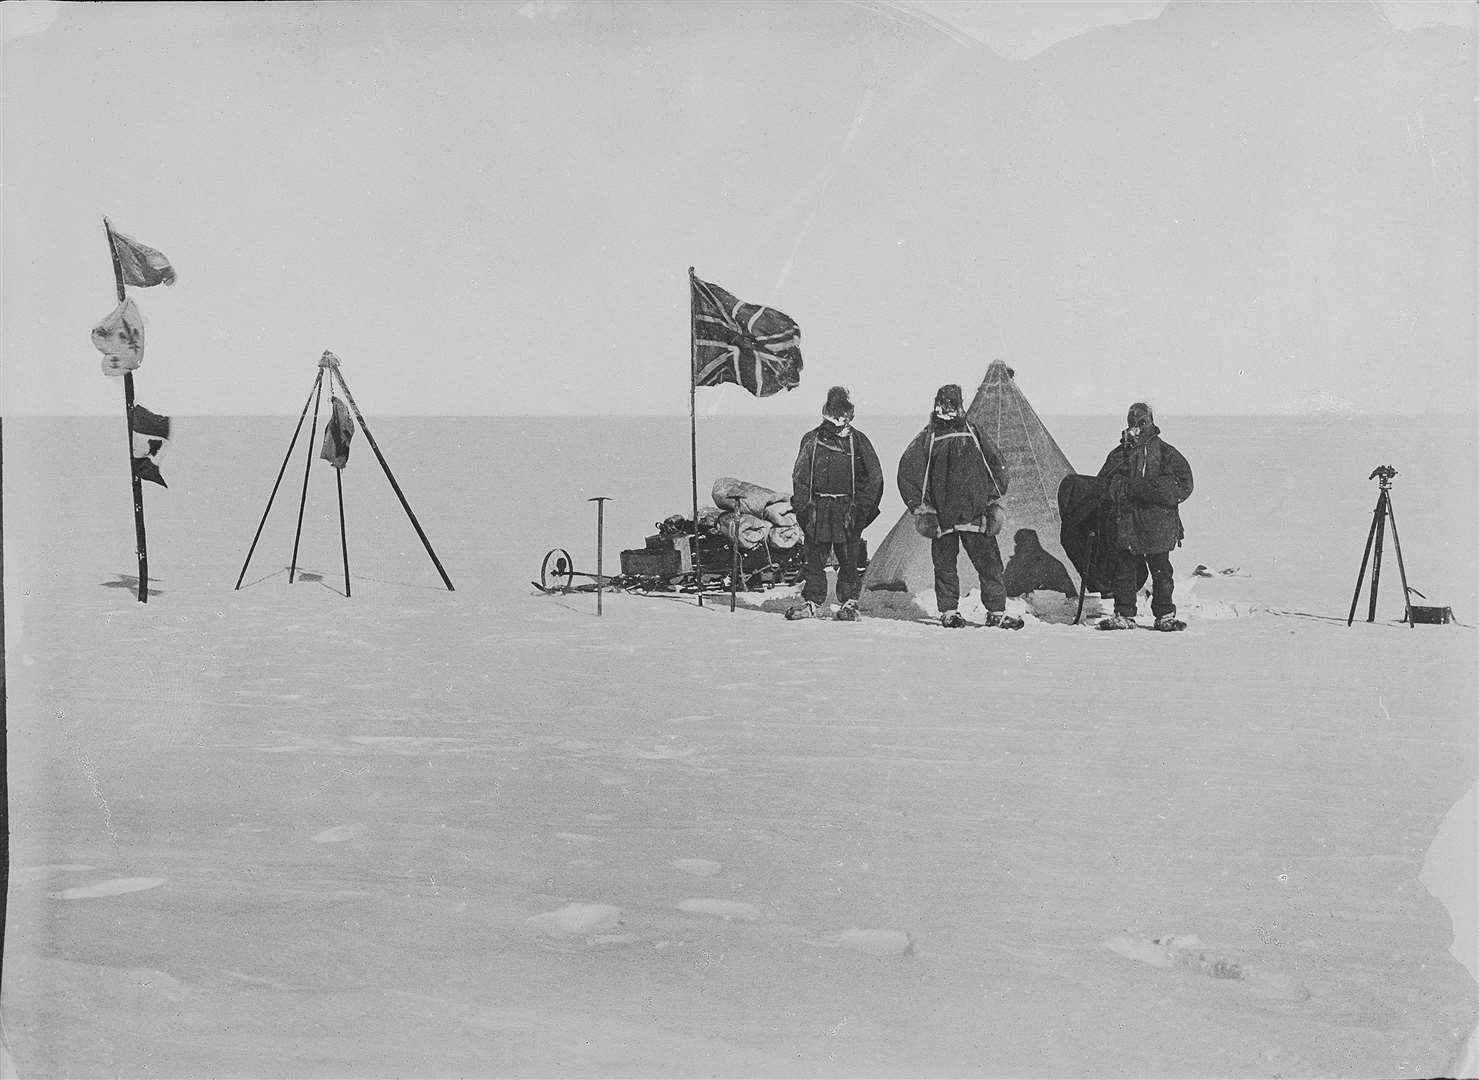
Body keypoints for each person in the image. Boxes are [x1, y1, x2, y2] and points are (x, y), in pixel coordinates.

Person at [897, 384, 1024, 629]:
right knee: (945, 566)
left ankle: (996, 611)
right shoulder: (929, 437)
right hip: (942, 517)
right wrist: (921, 508)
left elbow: (997, 464)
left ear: (959, 404)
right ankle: (949, 611)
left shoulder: (974, 432)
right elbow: (908, 472)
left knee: (989, 565)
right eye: (943, 404)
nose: (947, 409)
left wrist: (992, 499)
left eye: (951, 404)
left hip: (976, 515)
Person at [786, 386, 884, 621]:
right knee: (814, 557)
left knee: (849, 557)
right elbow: (800, 477)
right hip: (817, 508)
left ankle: (849, 602)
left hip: (847, 510)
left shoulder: (858, 441)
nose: (838, 417)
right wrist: (803, 508)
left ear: (850, 413)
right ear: (826, 411)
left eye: (843, 411)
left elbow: (874, 478)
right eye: (834, 411)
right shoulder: (812, 439)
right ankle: (812, 601)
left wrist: (862, 509)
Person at [1095, 402, 1194, 631]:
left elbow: (1183, 484)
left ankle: (1165, 614)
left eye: (1142, 422)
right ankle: (1124, 614)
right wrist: (1125, 488)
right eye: (1132, 423)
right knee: (1125, 570)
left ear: (1151, 422)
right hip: (1128, 523)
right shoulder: (1120, 454)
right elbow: (1104, 484)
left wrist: (1142, 489)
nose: (1137, 427)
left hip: (1157, 524)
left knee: (1161, 571)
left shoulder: (1167, 453)